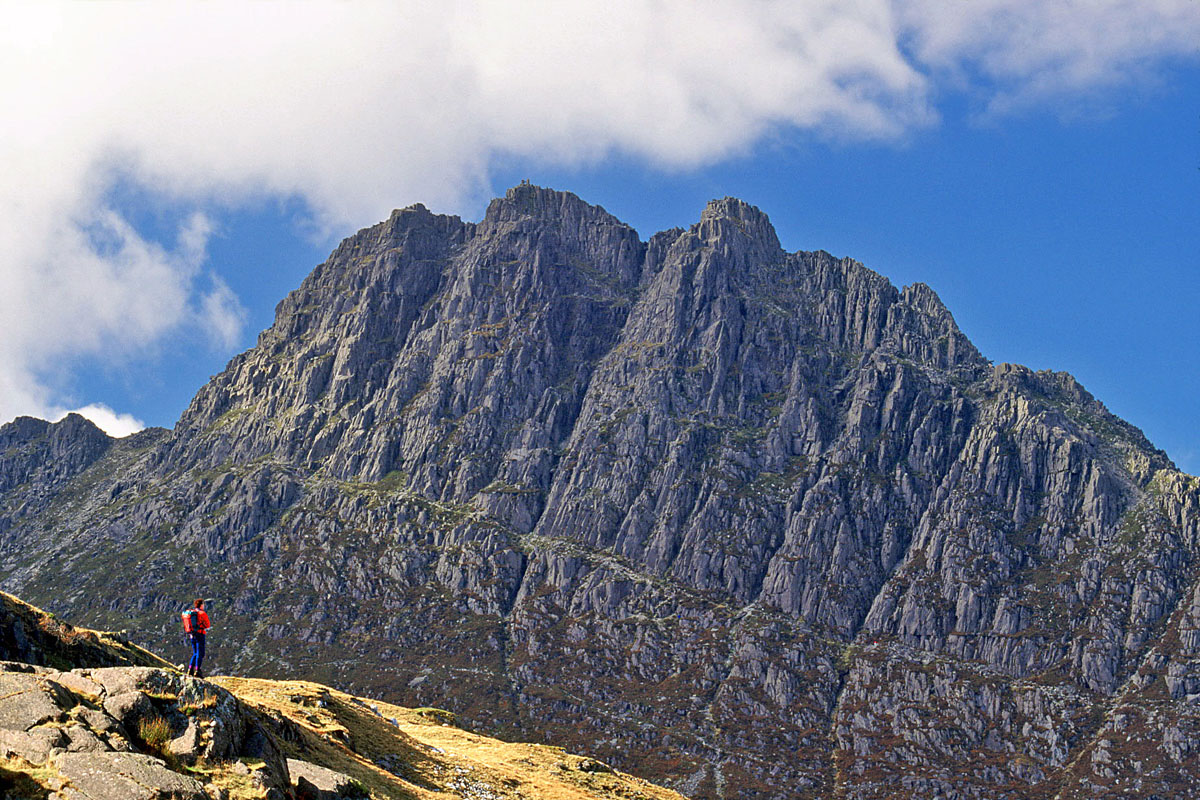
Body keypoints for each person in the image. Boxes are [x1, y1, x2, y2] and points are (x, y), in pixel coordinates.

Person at [183, 598, 212, 677]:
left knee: (195, 653)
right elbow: (208, 625)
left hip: (192, 634)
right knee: (200, 653)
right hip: (200, 634)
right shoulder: (202, 613)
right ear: (201, 605)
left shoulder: (192, 613)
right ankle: (197, 671)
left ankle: (190, 669)